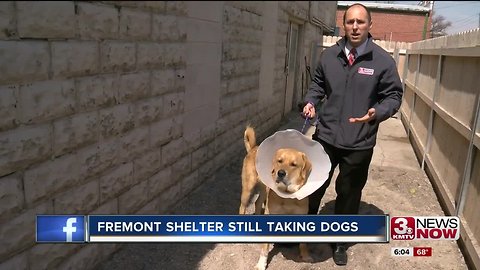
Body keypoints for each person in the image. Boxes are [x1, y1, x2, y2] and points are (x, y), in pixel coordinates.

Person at [302, 3, 403, 266]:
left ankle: (339, 241)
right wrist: (311, 101)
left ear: (370, 25)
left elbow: (393, 95)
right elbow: (317, 84)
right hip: (325, 136)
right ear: (343, 25)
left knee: (348, 193)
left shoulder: (382, 61)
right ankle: (304, 231)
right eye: (350, 22)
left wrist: (378, 112)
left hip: (359, 141)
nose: (355, 27)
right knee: (313, 187)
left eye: (360, 22)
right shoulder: (329, 56)